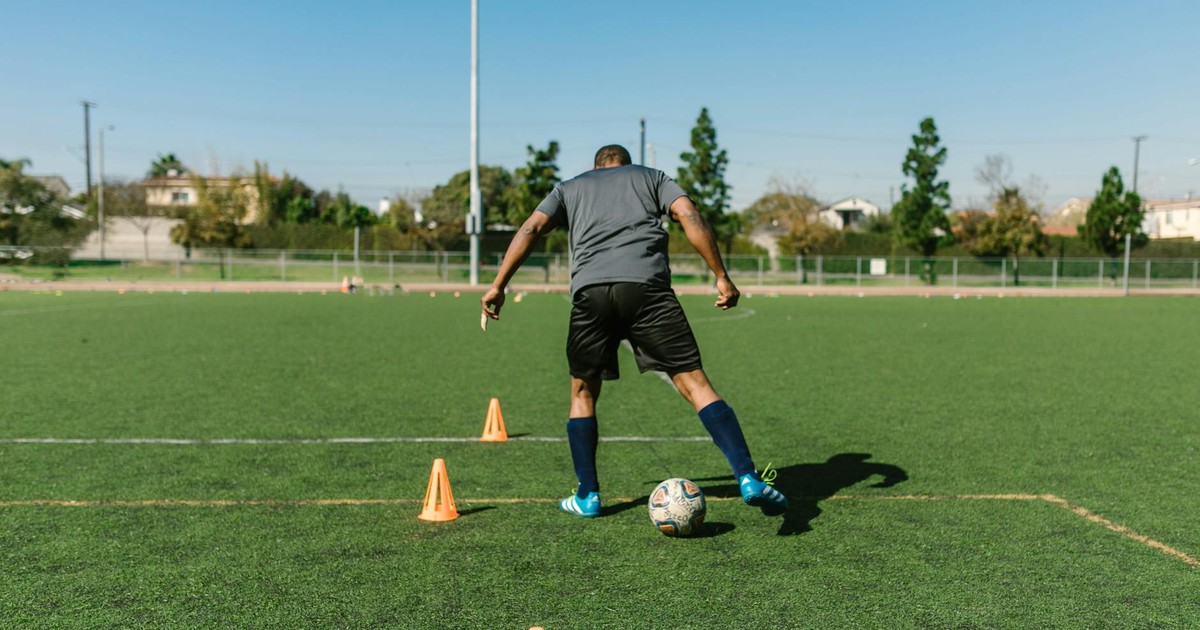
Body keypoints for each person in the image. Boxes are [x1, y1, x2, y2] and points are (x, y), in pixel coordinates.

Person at [481, 144, 787, 519]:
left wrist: (499, 285)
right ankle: (748, 478)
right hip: (648, 291)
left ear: (596, 167)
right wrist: (721, 276)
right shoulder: (652, 178)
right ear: (626, 164)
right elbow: (688, 214)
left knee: (583, 390)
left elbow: (531, 227)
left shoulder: (569, 187)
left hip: (591, 293)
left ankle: (588, 495)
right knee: (695, 383)